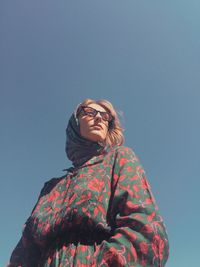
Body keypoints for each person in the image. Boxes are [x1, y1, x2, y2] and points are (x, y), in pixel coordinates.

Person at [9, 99, 169, 267]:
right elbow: (25, 251)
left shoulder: (119, 158)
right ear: (75, 122)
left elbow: (145, 229)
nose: (99, 118)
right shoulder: (50, 187)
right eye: (90, 112)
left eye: (105, 116)